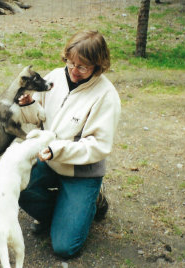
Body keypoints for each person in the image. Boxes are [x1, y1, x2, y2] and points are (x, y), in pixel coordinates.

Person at [18, 30, 121, 258]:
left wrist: (58, 150)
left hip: (81, 170)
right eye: (70, 62)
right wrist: (29, 106)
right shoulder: (55, 76)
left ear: (98, 65)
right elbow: (40, 117)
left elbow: (98, 146)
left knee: (65, 247)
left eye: (82, 67)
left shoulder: (106, 95)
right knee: (17, 185)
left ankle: (93, 201)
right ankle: (62, 214)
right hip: (49, 158)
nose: (73, 71)